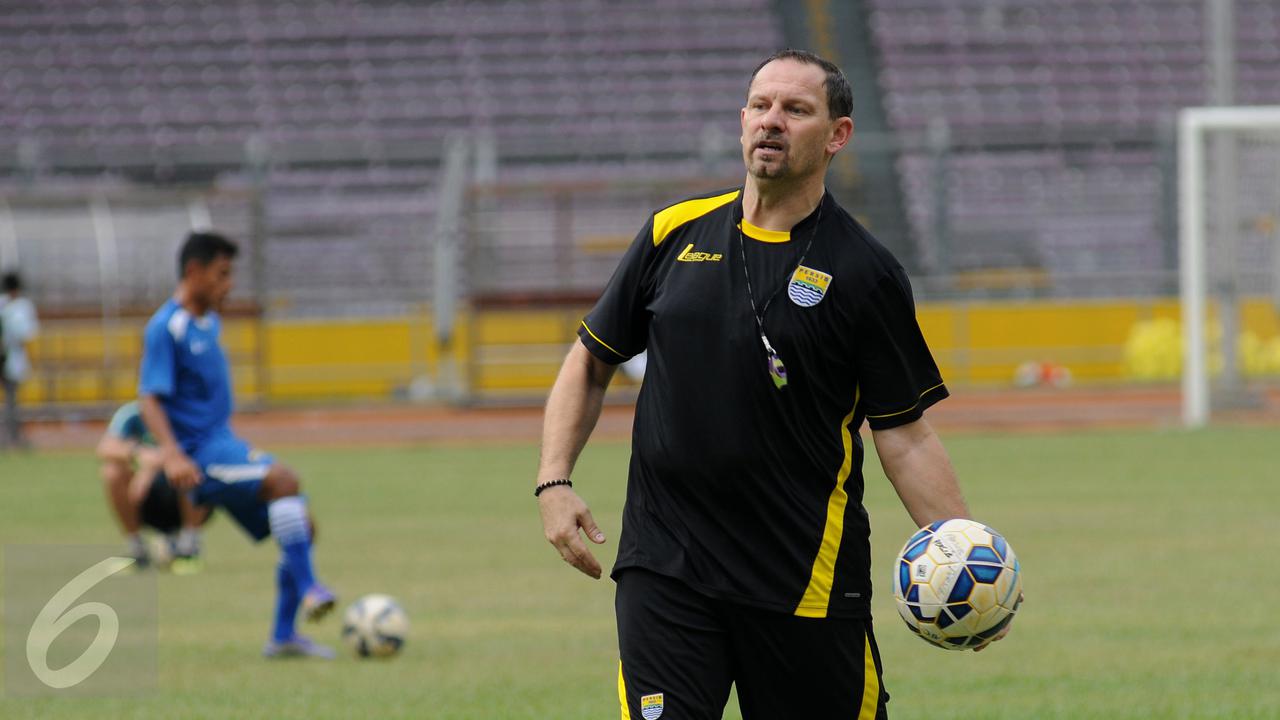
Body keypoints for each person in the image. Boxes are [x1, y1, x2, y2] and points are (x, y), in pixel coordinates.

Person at [535, 49, 1016, 719]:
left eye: (796, 110)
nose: (772, 122)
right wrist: (554, 479)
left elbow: (903, 431)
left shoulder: (864, 271)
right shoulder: (673, 234)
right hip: (666, 568)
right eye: (760, 106)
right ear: (741, 122)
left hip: (804, 580)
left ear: (837, 135)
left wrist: (964, 557)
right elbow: (590, 360)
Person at [139, 231, 337, 659]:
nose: (229, 285)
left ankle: (283, 637)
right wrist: (171, 454)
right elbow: (149, 396)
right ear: (194, 272)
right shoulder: (166, 327)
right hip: (200, 455)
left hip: (223, 445)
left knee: (303, 527)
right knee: (285, 481)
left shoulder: (209, 321)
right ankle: (310, 589)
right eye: (222, 275)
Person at [96, 400, 211, 573]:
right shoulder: (132, 414)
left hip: (186, 495)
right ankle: (137, 549)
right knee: (112, 471)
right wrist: (137, 452)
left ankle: (188, 548)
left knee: (199, 464)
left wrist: (150, 468)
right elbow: (105, 447)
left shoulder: (190, 411)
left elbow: (209, 446)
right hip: (145, 498)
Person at [1, 271, 39, 449]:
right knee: (12, 401)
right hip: (10, 358)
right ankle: (13, 438)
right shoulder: (21, 307)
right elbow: (26, 334)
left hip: (7, 358)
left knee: (11, 401)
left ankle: (10, 437)